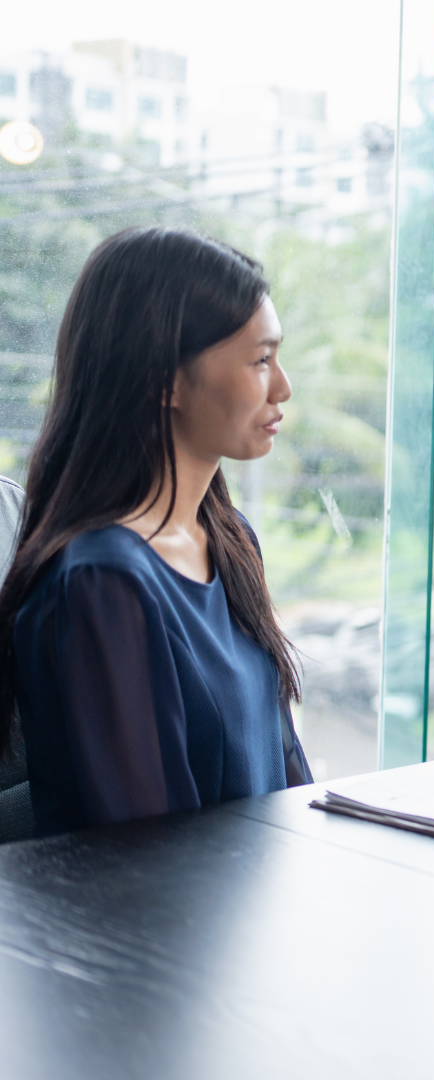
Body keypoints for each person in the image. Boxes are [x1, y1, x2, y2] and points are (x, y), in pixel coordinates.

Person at [0, 227, 309, 837]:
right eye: (260, 360)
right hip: (159, 926)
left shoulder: (229, 539)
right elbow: (152, 851)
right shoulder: (99, 583)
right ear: (162, 380)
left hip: (259, 905)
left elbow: (288, 775)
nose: (283, 387)